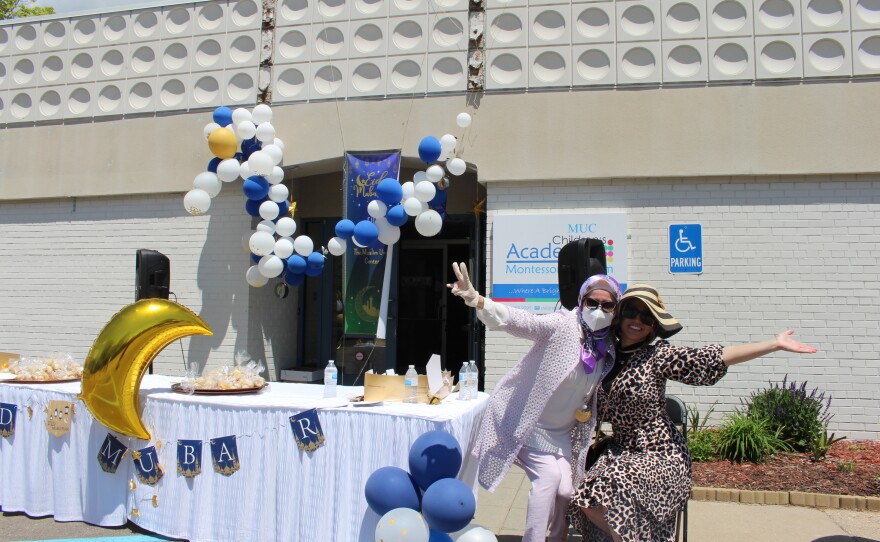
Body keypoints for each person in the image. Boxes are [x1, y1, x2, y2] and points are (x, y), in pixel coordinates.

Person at [567, 284, 818, 542]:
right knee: (584, 497)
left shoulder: (658, 356)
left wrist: (773, 344)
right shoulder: (603, 354)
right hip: (620, 451)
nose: (637, 321)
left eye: (646, 317)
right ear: (619, 316)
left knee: (615, 492)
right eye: (631, 312)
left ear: (654, 326)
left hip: (660, 454)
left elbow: (712, 357)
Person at [447, 262, 621, 542]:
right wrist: (476, 299)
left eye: (607, 305)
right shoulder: (563, 324)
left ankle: (557, 536)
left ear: (616, 309)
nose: (599, 309)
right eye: (592, 301)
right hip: (531, 424)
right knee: (548, 481)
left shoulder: (608, 345)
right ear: (582, 300)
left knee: (566, 491)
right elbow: (521, 321)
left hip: (562, 432)